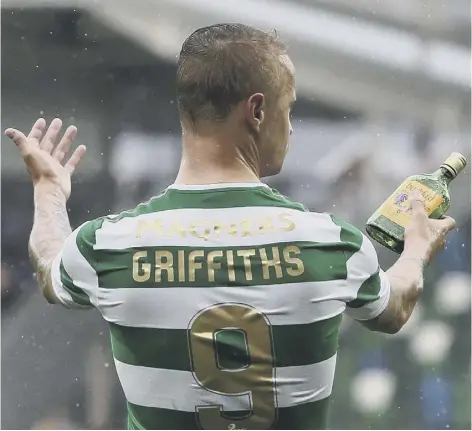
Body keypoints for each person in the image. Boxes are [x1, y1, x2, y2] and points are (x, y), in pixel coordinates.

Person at [5, 23, 456, 431]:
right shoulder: (330, 243)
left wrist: (48, 191)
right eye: (289, 108)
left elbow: (49, 265)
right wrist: (416, 247)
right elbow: (394, 307)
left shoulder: (106, 246)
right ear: (257, 110)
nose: (292, 129)